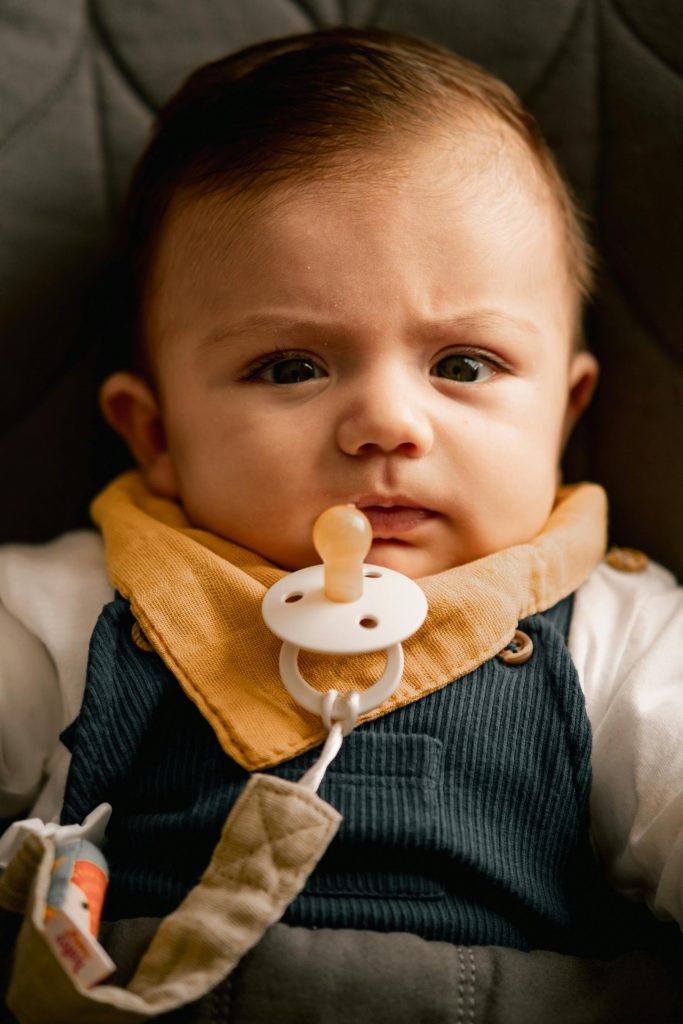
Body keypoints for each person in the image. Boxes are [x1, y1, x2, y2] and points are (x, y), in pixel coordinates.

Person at [0, 27, 681, 963]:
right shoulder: (65, 611)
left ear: (562, 417)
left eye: (463, 363)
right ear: (154, 435)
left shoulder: (618, 630)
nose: (387, 424)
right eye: (289, 367)